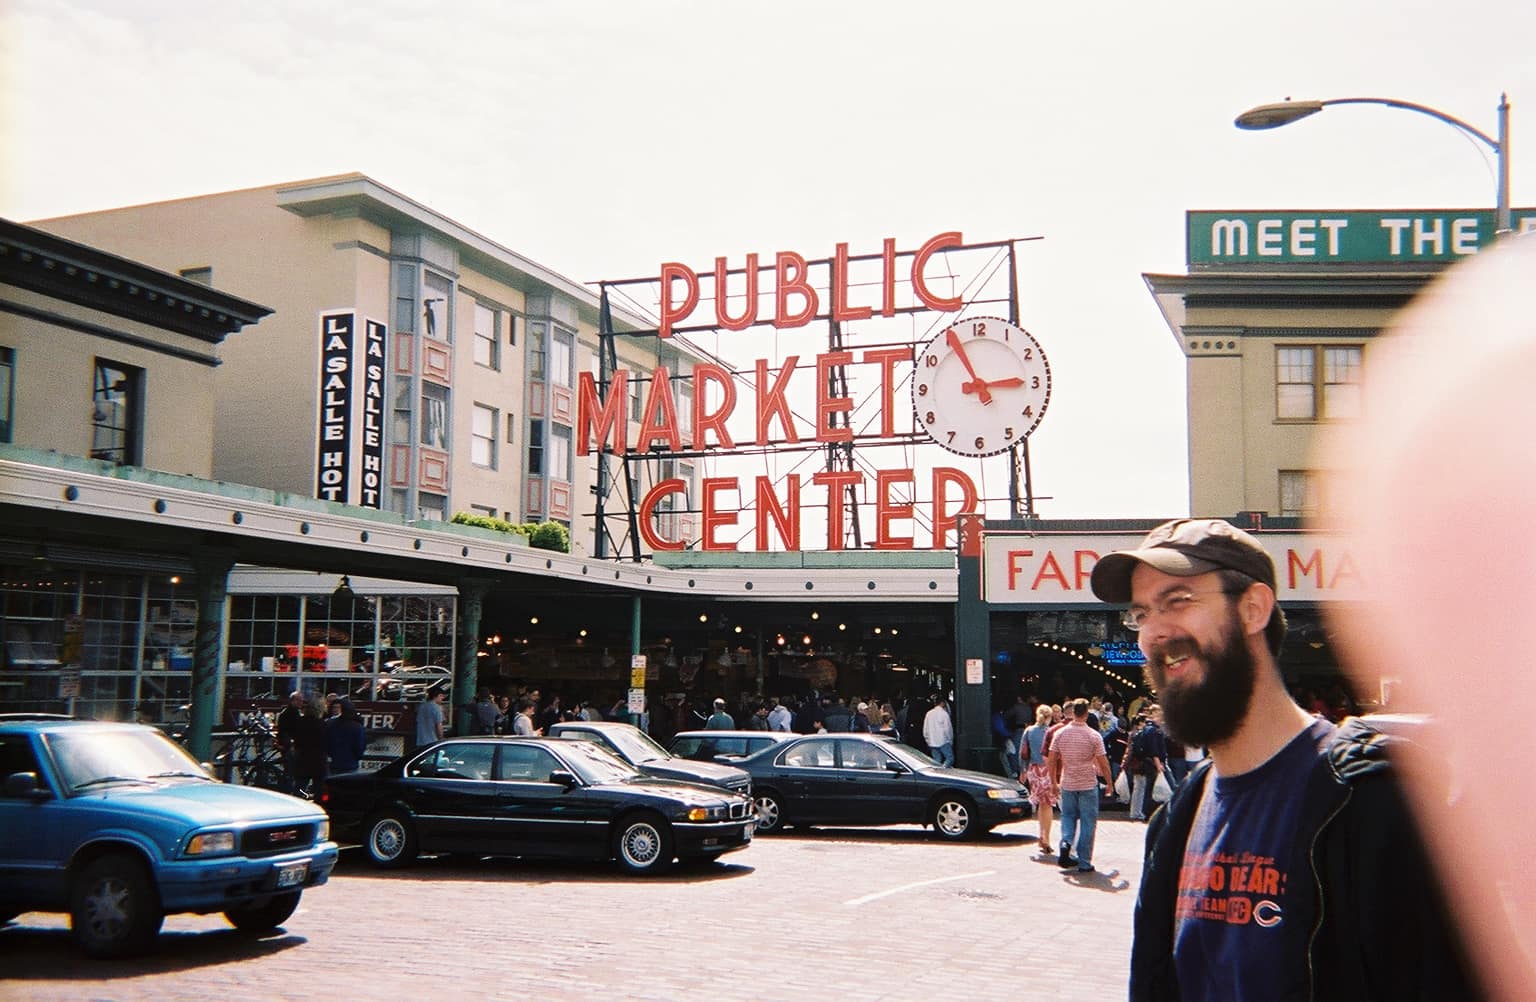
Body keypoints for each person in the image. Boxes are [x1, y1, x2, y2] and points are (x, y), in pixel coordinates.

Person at [1089, 517, 1479, 1000]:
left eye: (1178, 601)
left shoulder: (1378, 805)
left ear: (1253, 609)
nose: (1154, 632)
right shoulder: (1174, 821)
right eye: (1142, 614)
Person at [1048, 698, 1113, 872]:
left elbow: (1052, 758)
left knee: (1068, 816)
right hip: (1087, 783)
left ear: (1073, 712)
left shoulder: (1060, 734)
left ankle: (1066, 842)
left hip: (1067, 782)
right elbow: (1104, 762)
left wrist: (1053, 781)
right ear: (1086, 713)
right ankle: (1084, 862)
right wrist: (1109, 782)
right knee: (1088, 822)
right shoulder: (1093, 735)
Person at [1019, 702, 1058, 855]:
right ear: (1049, 717)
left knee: (1041, 804)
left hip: (1033, 769)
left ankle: (1041, 835)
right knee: (1048, 804)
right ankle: (1046, 838)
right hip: (1047, 769)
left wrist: (1022, 771)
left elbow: (1022, 752)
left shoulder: (1029, 731)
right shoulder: (1051, 732)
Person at [325, 696, 367, 774]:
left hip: (334, 762)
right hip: (351, 763)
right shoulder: (357, 727)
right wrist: (357, 757)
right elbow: (359, 746)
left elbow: (326, 742)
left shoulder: (330, 723)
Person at [922, 695, 953, 767]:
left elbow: (925, 729)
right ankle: (943, 769)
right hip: (943, 741)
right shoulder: (944, 714)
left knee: (936, 760)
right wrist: (950, 740)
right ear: (942, 703)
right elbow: (948, 729)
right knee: (950, 758)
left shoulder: (929, 713)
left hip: (932, 742)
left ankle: (937, 771)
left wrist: (927, 740)